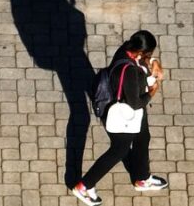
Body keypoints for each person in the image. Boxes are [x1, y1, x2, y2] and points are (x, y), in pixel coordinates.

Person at [72, 30, 168, 205]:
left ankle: (141, 178)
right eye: (149, 54)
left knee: (142, 137)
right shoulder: (130, 73)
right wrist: (153, 91)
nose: (150, 57)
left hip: (129, 102)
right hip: (121, 112)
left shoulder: (126, 48)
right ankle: (84, 186)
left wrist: (154, 63)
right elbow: (136, 103)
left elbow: (143, 64)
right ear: (139, 53)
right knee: (119, 151)